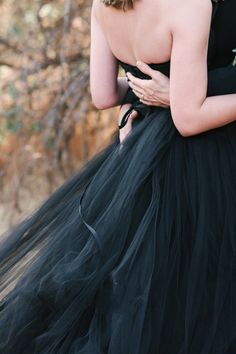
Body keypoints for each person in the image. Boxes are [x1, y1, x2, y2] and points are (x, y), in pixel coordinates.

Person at [0, 0, 236, 353]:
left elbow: (104, 94)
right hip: (202, 164)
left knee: (146, 294)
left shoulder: (103, 4)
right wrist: (176, 95)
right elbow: (189, 118)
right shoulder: (189, 5)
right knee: (202, 296)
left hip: (137, 157)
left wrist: (146, 89)